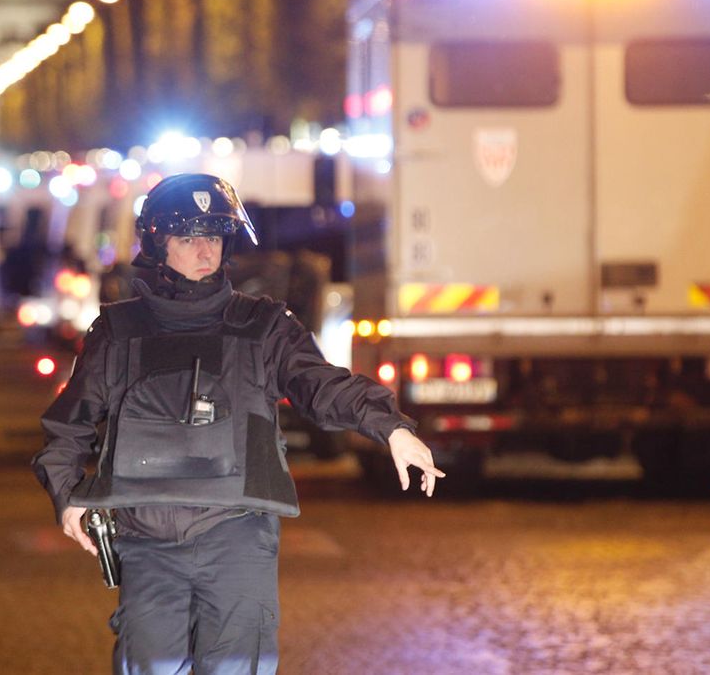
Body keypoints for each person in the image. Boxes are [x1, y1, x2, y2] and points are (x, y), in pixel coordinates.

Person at [32, 172, 444, 674]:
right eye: (188, 237)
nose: (204, 250)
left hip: (237, 533)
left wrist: (390, 426)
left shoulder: (264, 326)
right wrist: (67, 495)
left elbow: (319, 383)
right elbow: (68, 424)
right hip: (147, 538)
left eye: (213, 237)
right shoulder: (119, 331)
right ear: (158, 245)